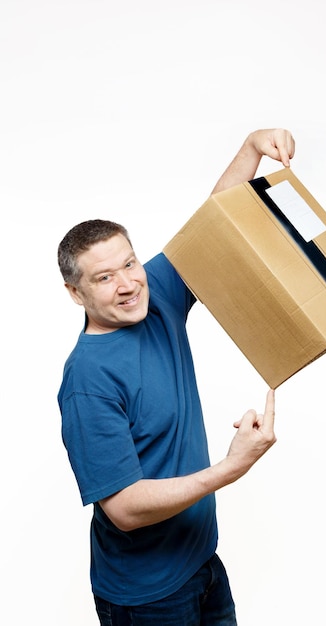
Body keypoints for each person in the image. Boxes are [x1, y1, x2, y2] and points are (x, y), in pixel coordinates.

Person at [57, 127, 295, 625]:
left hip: (201, 562)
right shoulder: (87, 380)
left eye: (130, 263)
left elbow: (212, 227)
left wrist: (251, 147)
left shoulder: (155, 297)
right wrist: (233, 468)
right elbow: (123, 508)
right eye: (104, 278)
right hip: (146, 597)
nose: (127, 284)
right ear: (76, 293)